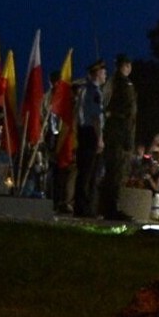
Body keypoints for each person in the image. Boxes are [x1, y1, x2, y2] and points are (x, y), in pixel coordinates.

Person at [98, 53, 137, 220]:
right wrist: (129, 139)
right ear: (126, 66)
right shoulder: (124, 84)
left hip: (110, 131)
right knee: (116, 172)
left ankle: (104, 206)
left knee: (110, 171)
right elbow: (129, 112)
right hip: (119, 133)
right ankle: (111, 208)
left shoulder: (110, 83)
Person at [71, 60, 106, 218]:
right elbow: (96, 117)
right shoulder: (94, 92)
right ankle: (85, 208)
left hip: (83, 132)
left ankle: (82, 206)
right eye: (104, 72)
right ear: (97, 73)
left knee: (84, 172)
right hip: (91, 134)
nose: (105, 75)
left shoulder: (84, 90)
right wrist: (100, 138)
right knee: (89, 173)